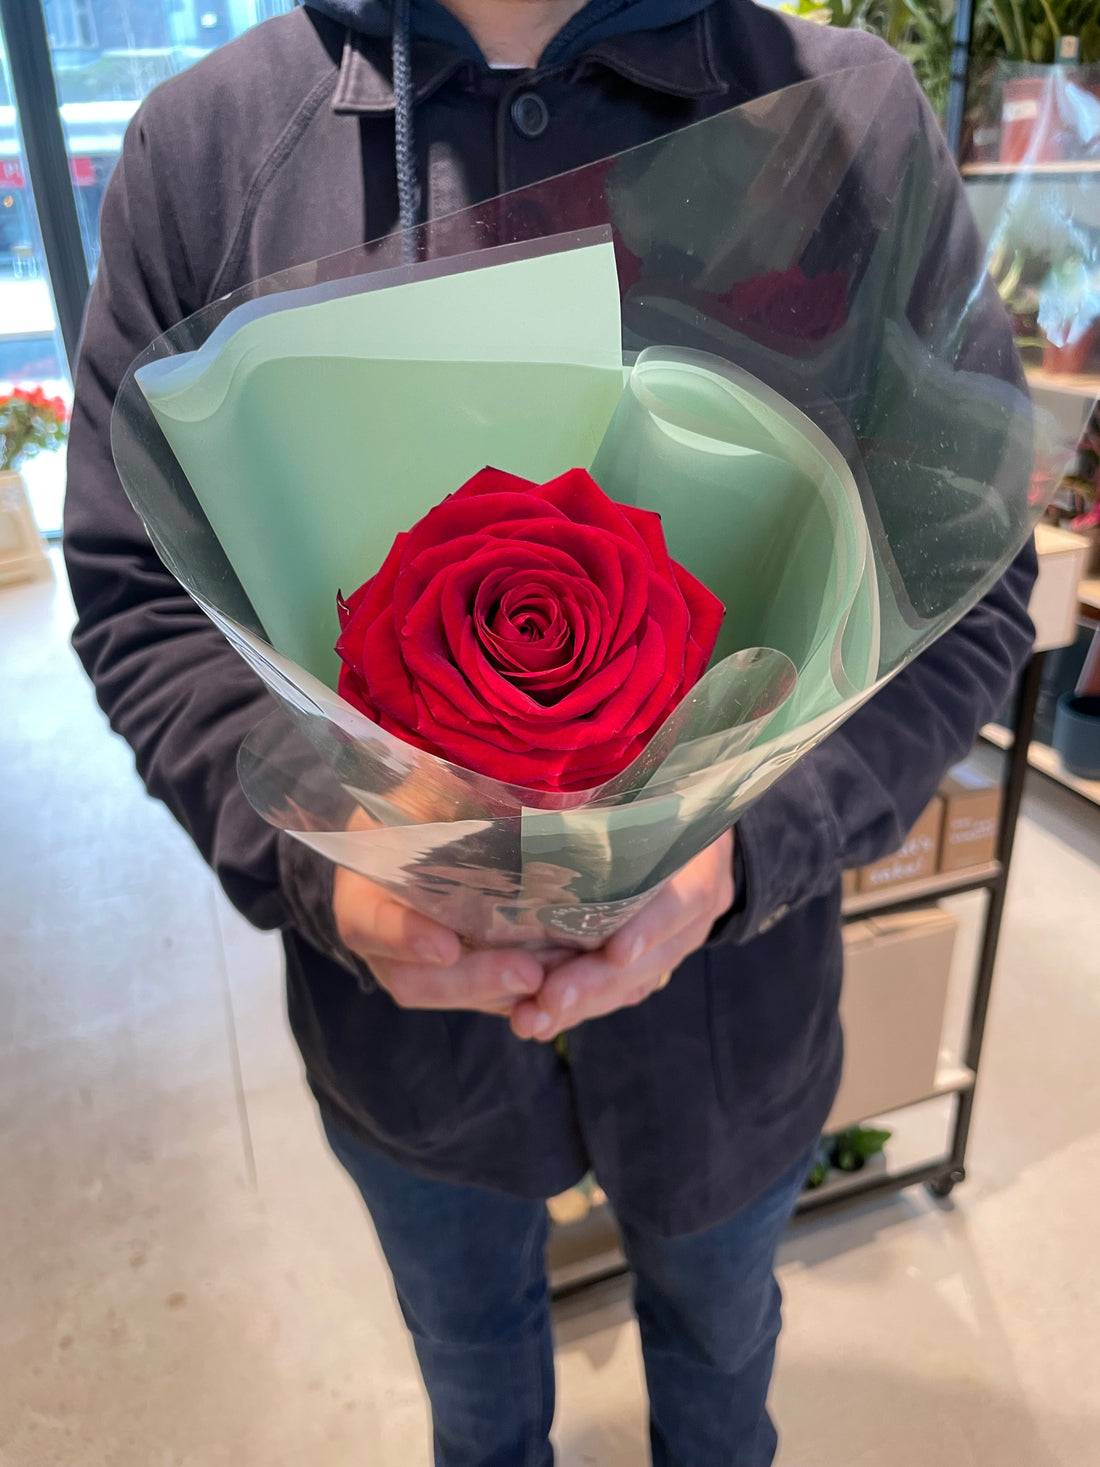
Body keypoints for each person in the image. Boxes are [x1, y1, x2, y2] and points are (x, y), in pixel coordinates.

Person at [63, 2, 1037, 1464]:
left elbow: (968, 587)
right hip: (408, 1060)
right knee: (475, 1393)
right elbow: (141, 594)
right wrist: (328, 872)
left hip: (737, 1033)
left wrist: (751, 848)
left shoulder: (850, 119)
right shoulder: (206, 149)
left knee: (724, 1373)